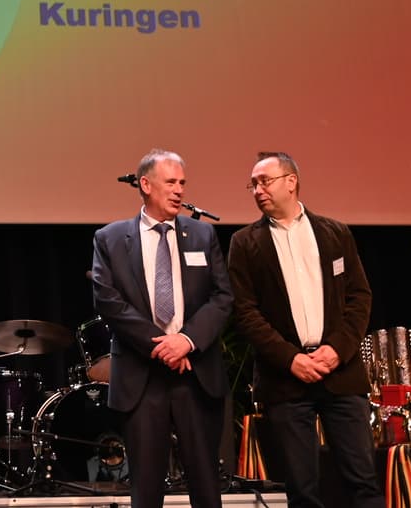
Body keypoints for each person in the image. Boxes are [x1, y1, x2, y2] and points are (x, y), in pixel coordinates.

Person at [227, 151, 379, 508]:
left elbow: (359, 296)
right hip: (285, 379)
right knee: (302, 489)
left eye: (265, 181)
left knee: (363, 482)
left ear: (291, 182)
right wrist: (291, 359)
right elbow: (245, 312)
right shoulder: (245, 243)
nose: (257, 190)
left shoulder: (335, 233)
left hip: (340, 372)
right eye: (253, 184)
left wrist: (337, 349)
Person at [91, 149, 232, 508]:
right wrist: (164, 346)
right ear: (145, 184)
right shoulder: (110, 239)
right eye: (171, 182)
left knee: (207, 486)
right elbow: (109, 302)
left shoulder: (202, 235)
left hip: (195, 375)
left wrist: (186, 341)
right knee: (146, 489)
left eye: (182, 182)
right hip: (142, 379)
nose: (179, 190)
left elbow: (222, 298)